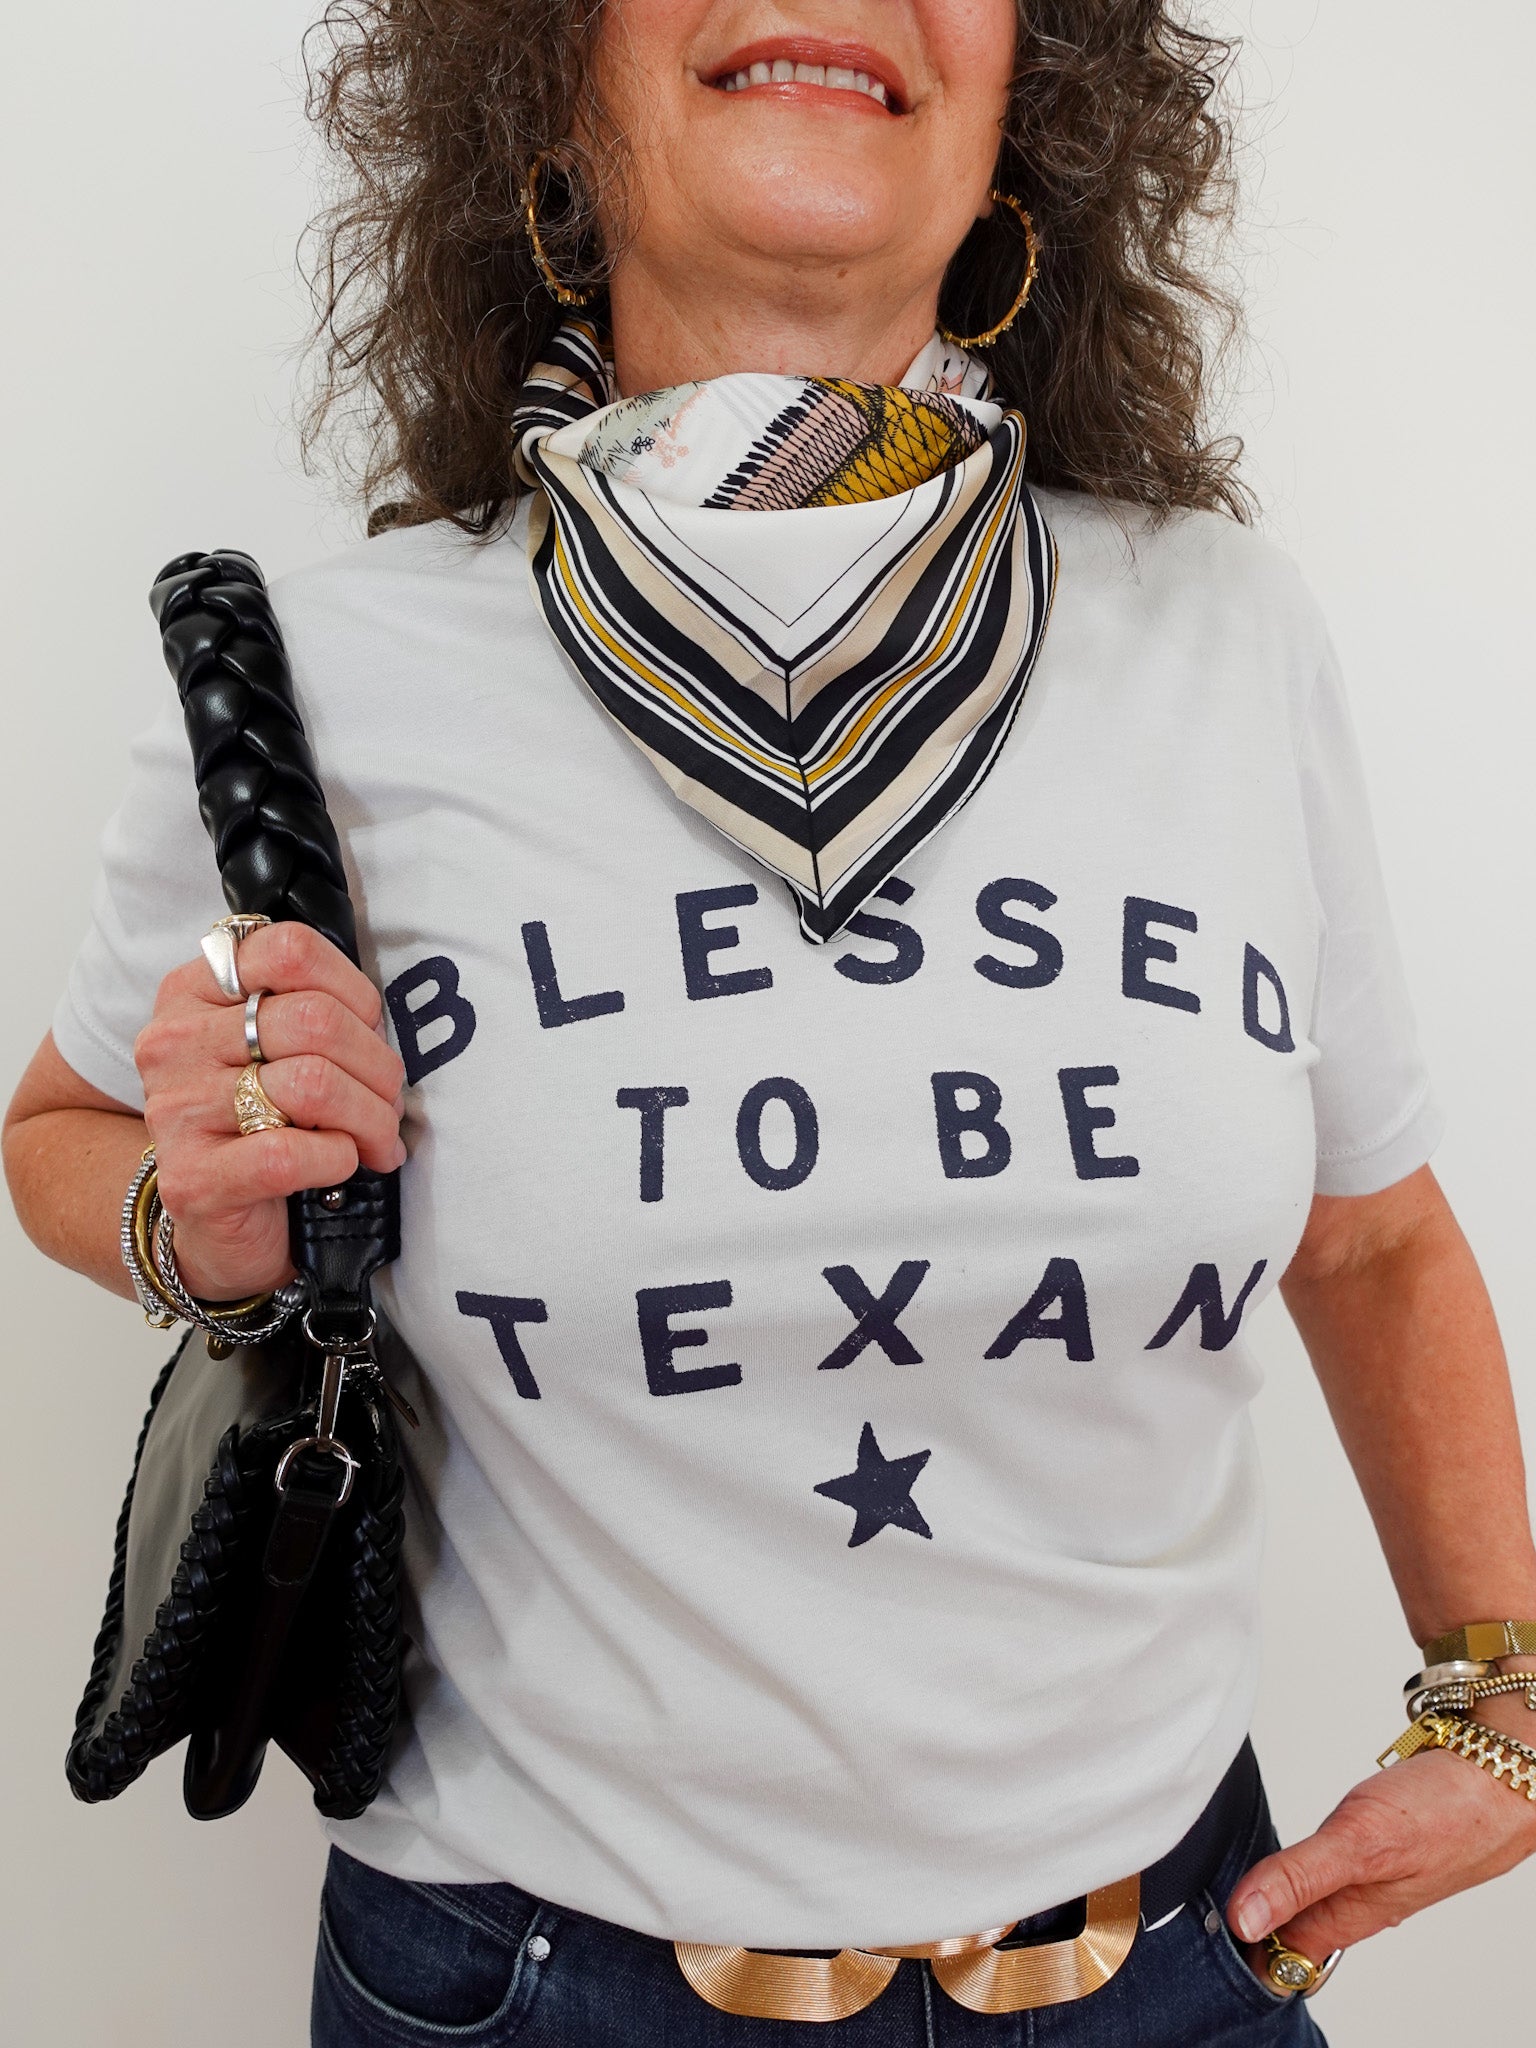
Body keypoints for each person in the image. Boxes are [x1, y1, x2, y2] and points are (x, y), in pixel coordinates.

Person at [6, 2, 1535, 2042]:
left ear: (1025, 122)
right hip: (526, 1986)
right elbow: (61, 1134)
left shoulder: (1224, 630)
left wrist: (1506, 1699)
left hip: (1168, 1969)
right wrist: (189, 1220)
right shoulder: (321, 675)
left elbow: (1371, 1229)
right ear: (547, 83)